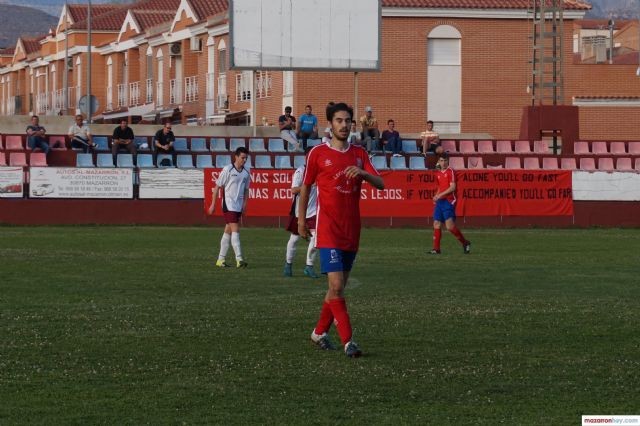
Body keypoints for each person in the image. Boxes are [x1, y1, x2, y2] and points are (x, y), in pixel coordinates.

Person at [298, 102, 384, 358]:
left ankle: (318, 333)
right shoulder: (316, 154)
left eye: (348, 121)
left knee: (337, 289)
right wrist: (302, 221)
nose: (344, 125)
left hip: (351, 230)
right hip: (328, 229)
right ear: (330, 124)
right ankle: (349, 341)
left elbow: (380, 183)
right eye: (339, 120)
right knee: (336, 285)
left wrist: (363, 173)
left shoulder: (359, 154)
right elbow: (305, 187)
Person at [208, 146, 250, 268]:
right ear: (236, 157)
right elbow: (217, 188)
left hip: (238, 205)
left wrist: (245, 204)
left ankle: (220, 260)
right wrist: (212, 205)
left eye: (246, 158)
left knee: (228, 231)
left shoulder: (247, 171)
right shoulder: (228, 169)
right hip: (228, 204)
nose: (244, 160)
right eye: (242, 157)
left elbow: (246, 189)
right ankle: (239, 259)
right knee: (236, 230)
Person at [283, 160, 319, 279]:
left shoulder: (320, 171)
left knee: (316, 238)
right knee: (294, 239)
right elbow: (293, 190)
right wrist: (309, 184)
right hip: (299, 211)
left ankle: (309, 266)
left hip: (313, 211)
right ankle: (288, 264)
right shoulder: (300, 171)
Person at [430, 153, 471, 255]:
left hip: (449, 200)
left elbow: (452, 187)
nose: (443, 163)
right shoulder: (438, 173)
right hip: (440, 201)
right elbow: (440, 187)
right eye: (441, 161)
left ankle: (465, 243)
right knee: (436, 223)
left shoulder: (450, 171)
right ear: (439, 162)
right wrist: (436, 196)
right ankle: (436, 249)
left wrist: (440, 195)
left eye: (445, 161)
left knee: (449, 226)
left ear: (448, 161)